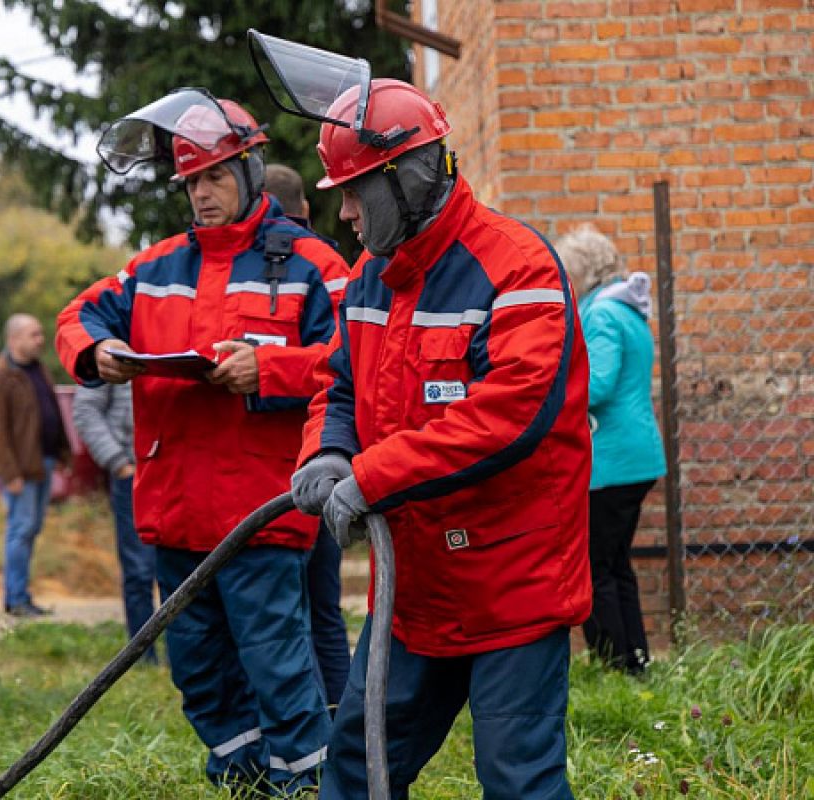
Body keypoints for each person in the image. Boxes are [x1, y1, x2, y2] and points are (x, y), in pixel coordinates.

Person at [252, 34, 592, 799]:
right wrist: (325, 454)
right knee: (356, 767)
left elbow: (509, 416)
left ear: (405, 179)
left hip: (512, 587)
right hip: (415, 588)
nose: (342, 215)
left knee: (517, 782)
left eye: (353, 193)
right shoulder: (372, 281)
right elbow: (336, 386)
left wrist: (371, 476)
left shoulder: (519, 268)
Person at [57, 88, 349, 795]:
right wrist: (97, 352)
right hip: (175, 510)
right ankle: (241, 777)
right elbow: (77, 317)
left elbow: (354, 361)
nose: (201, 194)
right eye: (190, 182)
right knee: (196, 669)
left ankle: (304, 785)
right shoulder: (152, 268)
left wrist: (268, 368)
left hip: (262, 512)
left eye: (214, 177)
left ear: (249, 171)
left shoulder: (315, 264)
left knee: (279, 667)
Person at [557, 225, 666, 676]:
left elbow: (596, 384)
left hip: (610, 460)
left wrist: (551, 386)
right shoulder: (627, 310)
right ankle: (635, 661)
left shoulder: (600, 314)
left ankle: (614, 666)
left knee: (595, 567)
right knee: (617, 565)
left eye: (567, 271)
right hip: (636, 456)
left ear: (583, 270)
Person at [263, 162, 351, 710]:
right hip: (321, 458)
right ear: (307, 210)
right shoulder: (330, 265)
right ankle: (341, 721)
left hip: (288, 470)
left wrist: (263, 371)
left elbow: (341, 366)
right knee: (322, 605)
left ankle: (315, 731)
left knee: (288, 614)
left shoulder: (310, 267)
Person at [0, 314, 69, 618]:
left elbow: (52, 412)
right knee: (21, 529)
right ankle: (15, 598)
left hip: (41, 462)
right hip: (20, 469)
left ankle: (22, 596)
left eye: (40, 334)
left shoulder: (37, 369)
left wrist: (62, 454)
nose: (40, 340)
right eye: (34, 335)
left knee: (31, 529)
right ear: (14, 339)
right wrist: (10, 473)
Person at [72, 382, 158, 663]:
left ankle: (190, 656)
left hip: (178, 470)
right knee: (139, 570)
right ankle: (143, 656)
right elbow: (85, 409)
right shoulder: (114, 342)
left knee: (186, 567)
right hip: (131, 472)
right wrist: (118, 462)